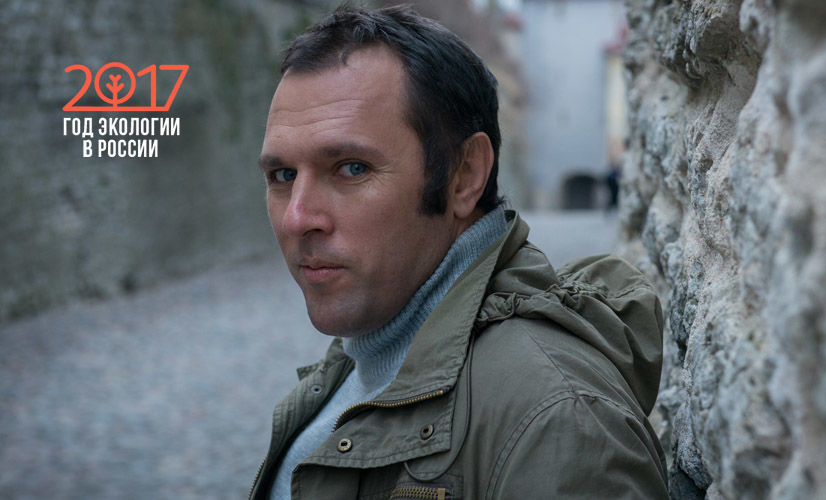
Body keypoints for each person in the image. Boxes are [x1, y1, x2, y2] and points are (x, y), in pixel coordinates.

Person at [250, 5, 667, 499]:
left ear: (465, 175)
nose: (297, 218)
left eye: (352, 168)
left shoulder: (557, 421)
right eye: (282, 175)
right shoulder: (360, 356)